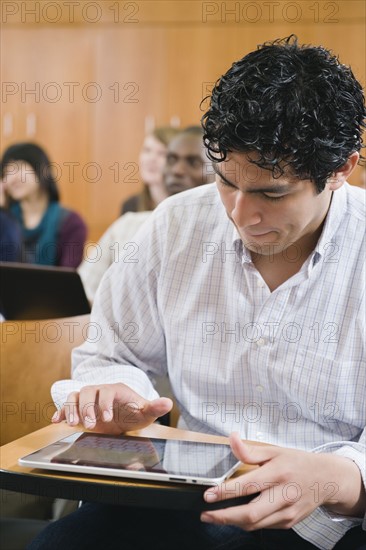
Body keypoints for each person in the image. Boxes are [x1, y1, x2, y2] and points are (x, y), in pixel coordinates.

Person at [32, 37, 365, 549]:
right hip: (185, 498)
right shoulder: (177, 225)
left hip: (323, 519)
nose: (239, 214)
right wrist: (121, 391)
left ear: (341, 168)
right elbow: (110, 354)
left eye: (271, 194)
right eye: (227, 182)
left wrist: (342, 478)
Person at [79, 126, 214, 302]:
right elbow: (84, 286)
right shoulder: (128, 224)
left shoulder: (223, 234)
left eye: (193, 162)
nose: (178, 170)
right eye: (172, 159)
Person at [0, 143, 87, 267]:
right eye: (6, 173)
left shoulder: (71, 223)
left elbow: (67, 280)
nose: (11, 179)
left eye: (18, 168)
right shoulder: (5, 221)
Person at [120, 126, 180, 214]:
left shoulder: (183, 206)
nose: (151, 159)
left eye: (162, 153)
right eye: (147, 150)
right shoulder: (131, 206)